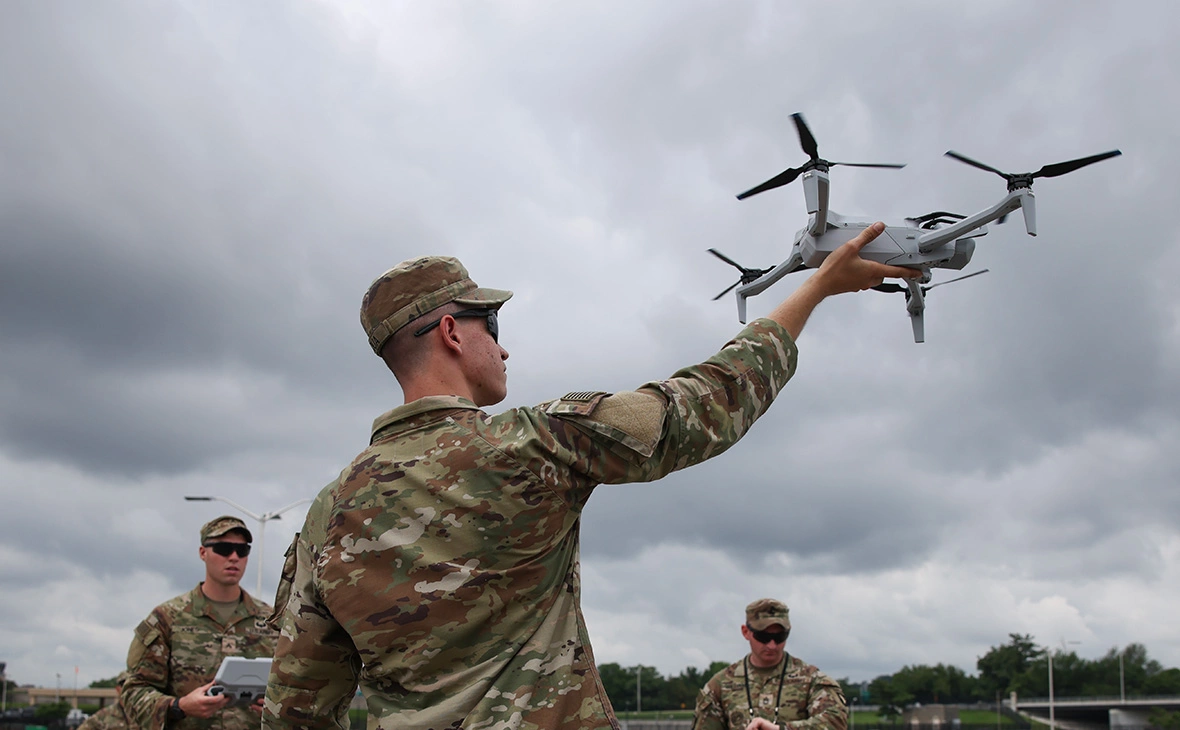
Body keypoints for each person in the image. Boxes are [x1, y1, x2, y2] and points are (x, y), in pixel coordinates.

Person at [263, 223, 917, 730]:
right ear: (451, 333)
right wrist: (816, 288)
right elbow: (699, 405)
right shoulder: (528, 444)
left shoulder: (329, 511)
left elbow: (295, 708)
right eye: (492, 323)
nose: (504, 345)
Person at [122, 515, 278, 729]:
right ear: (203, 553)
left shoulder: (272, 621)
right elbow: (133, 692)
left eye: (242, 551)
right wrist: (179, 706)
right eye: (223, 549)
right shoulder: (167, 618)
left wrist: (278, 708)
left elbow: (297, 686)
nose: (234, 557)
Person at [693, 599, 847, 730]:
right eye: (763, 636)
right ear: (746, 632)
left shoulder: (811, 679)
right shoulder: (721, 685)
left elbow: (836, 722)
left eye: (780, 636)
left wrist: (781, 729)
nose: (772, 645)